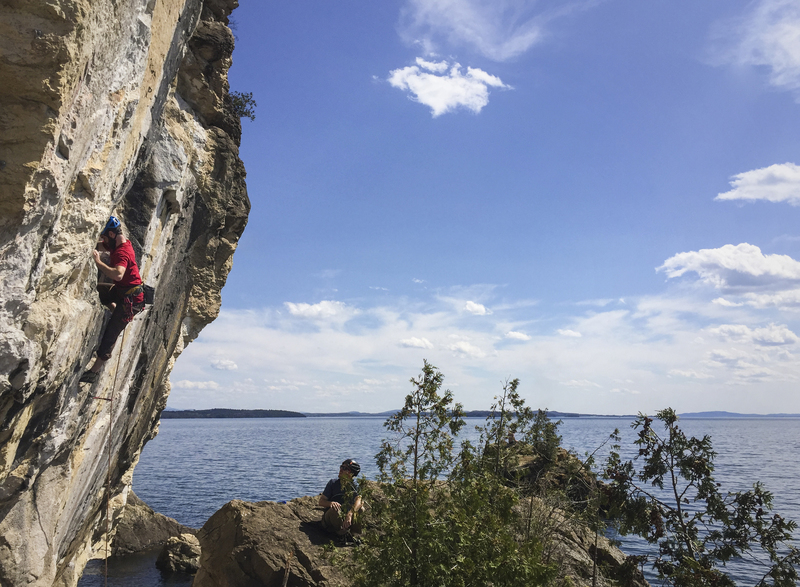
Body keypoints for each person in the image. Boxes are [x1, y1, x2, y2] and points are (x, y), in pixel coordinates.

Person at [79, 216, 145, 384]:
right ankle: (116, 311)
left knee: (111, 333)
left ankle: (93, 373)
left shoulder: (123, 252)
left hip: (131, 300)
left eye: (104, 235)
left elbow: (118, 274)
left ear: (111, 233)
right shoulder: (118, 243)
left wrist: (98, 261)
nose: (103, 239)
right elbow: (102, 245)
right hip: (123, 291)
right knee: (102, 291)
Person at [319, 459, 362, 537]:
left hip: (347, 517)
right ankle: (340, 533)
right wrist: (330, 503)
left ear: (351, 473)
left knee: (361, 509)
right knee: (334, 508)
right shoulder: (333, 483)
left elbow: (359, 501)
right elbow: (321, 501)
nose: (341, 470)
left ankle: (355, 534)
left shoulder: (355, 486)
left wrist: (350, 514)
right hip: (331, 518)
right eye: (341, 467)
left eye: (345, 468)